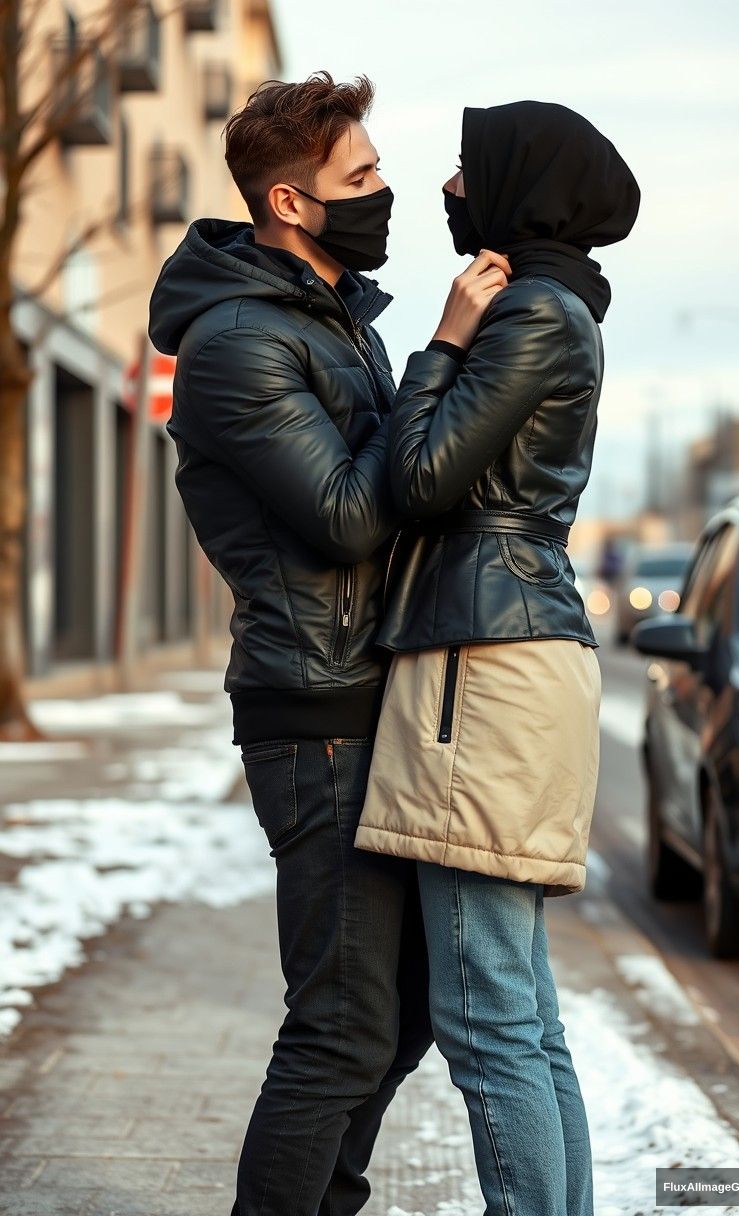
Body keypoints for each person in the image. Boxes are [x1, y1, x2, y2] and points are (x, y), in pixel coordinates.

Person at [147, 71, 509, 1216]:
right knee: (341, 1027)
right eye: (360, 178)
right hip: (315, 717)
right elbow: (352, 515)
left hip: (366, 700)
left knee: (395, 1018)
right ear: (291, 204)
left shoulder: (324, 319)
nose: (384, 192)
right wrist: (443, 350)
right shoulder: (235, 344)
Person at [354, 100, 641, 1216]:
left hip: (485, 658)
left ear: (519, 189)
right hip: (510, 647)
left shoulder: (527, 313)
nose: (443, 189)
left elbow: (417, 480)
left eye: (467, 172)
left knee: (487, 1022)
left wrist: (440, 339)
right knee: (522, 1016)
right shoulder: (564, 309)